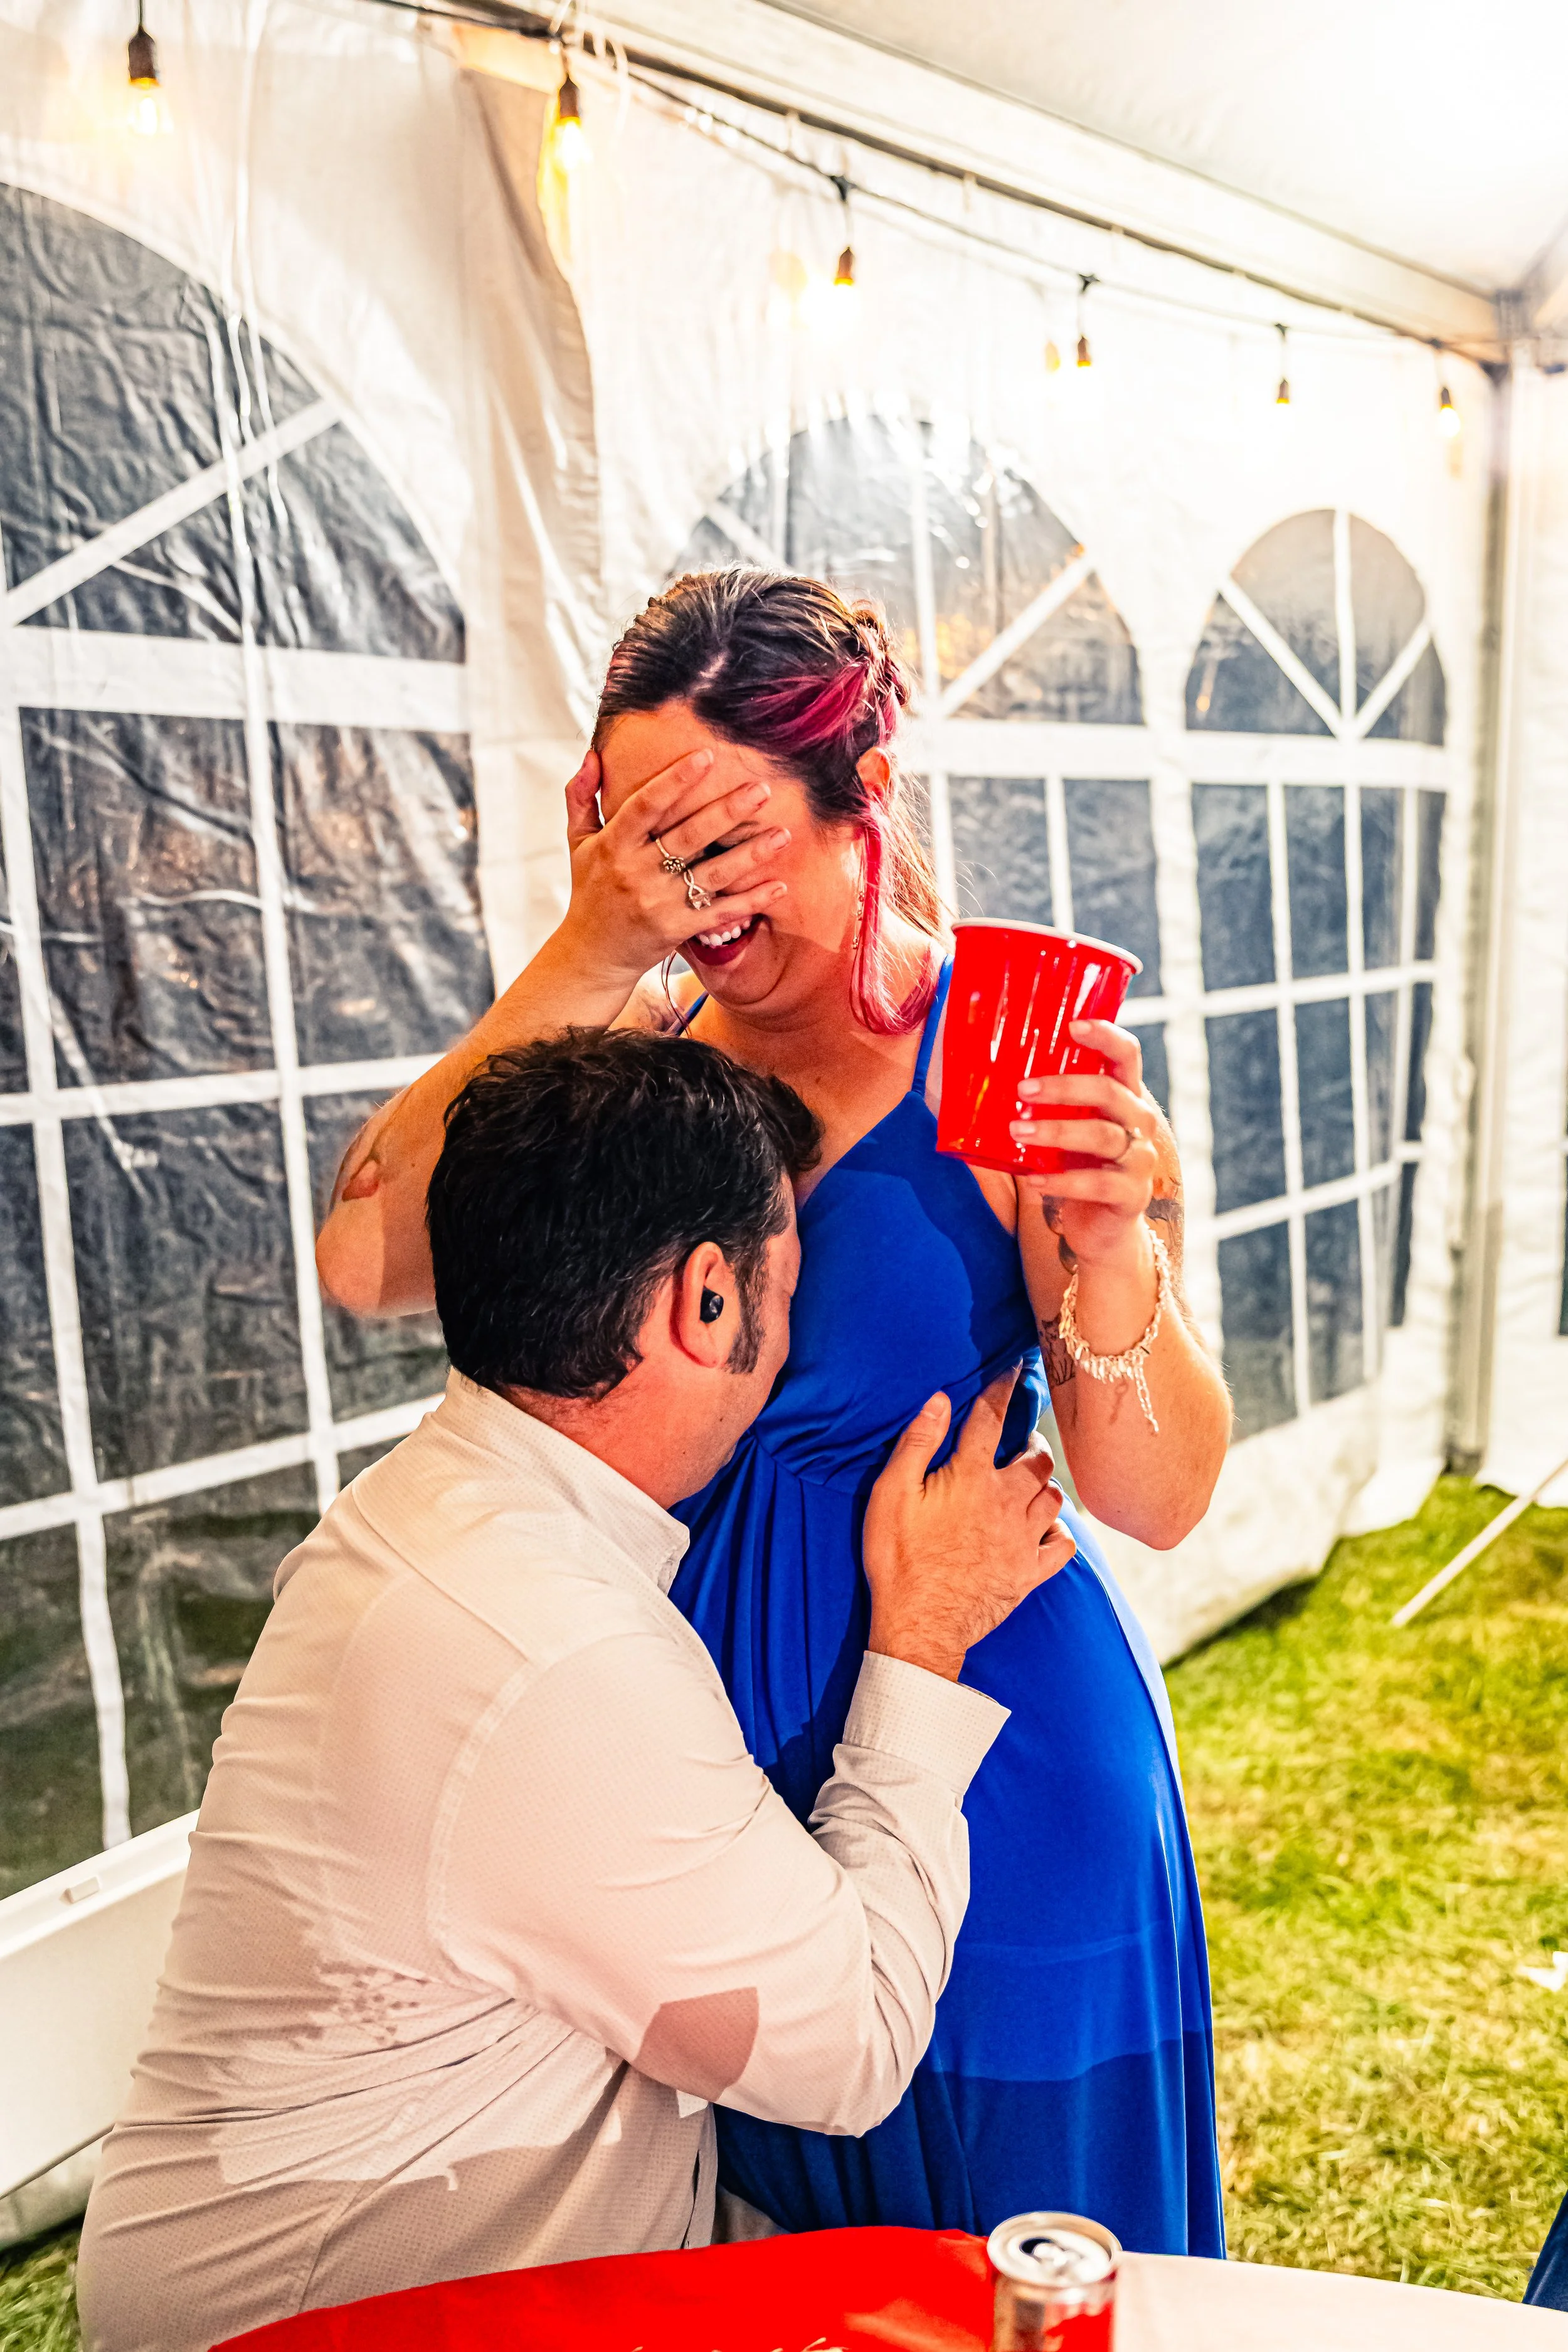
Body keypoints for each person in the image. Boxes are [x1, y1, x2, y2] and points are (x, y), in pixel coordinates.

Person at [316, 568, 1234, 2254]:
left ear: (860, 790)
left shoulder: (1006, 1041)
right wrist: (593, 942)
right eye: (640, 835)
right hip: (694, 1793)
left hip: (992, 1771)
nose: (694, 886)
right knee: (783, 2270)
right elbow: (371, 1246)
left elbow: (1157, 1494)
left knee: (1032, 2259)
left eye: (724, 832)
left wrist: (1115, 1257)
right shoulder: (636, 1066)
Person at [76, 1031, 1072, 2352]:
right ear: (705, 1301)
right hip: (341, 2321)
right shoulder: (555, 1651)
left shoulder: (435, 1509)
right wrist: (923, 1639)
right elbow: (853, 2044)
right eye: (793, 1275)